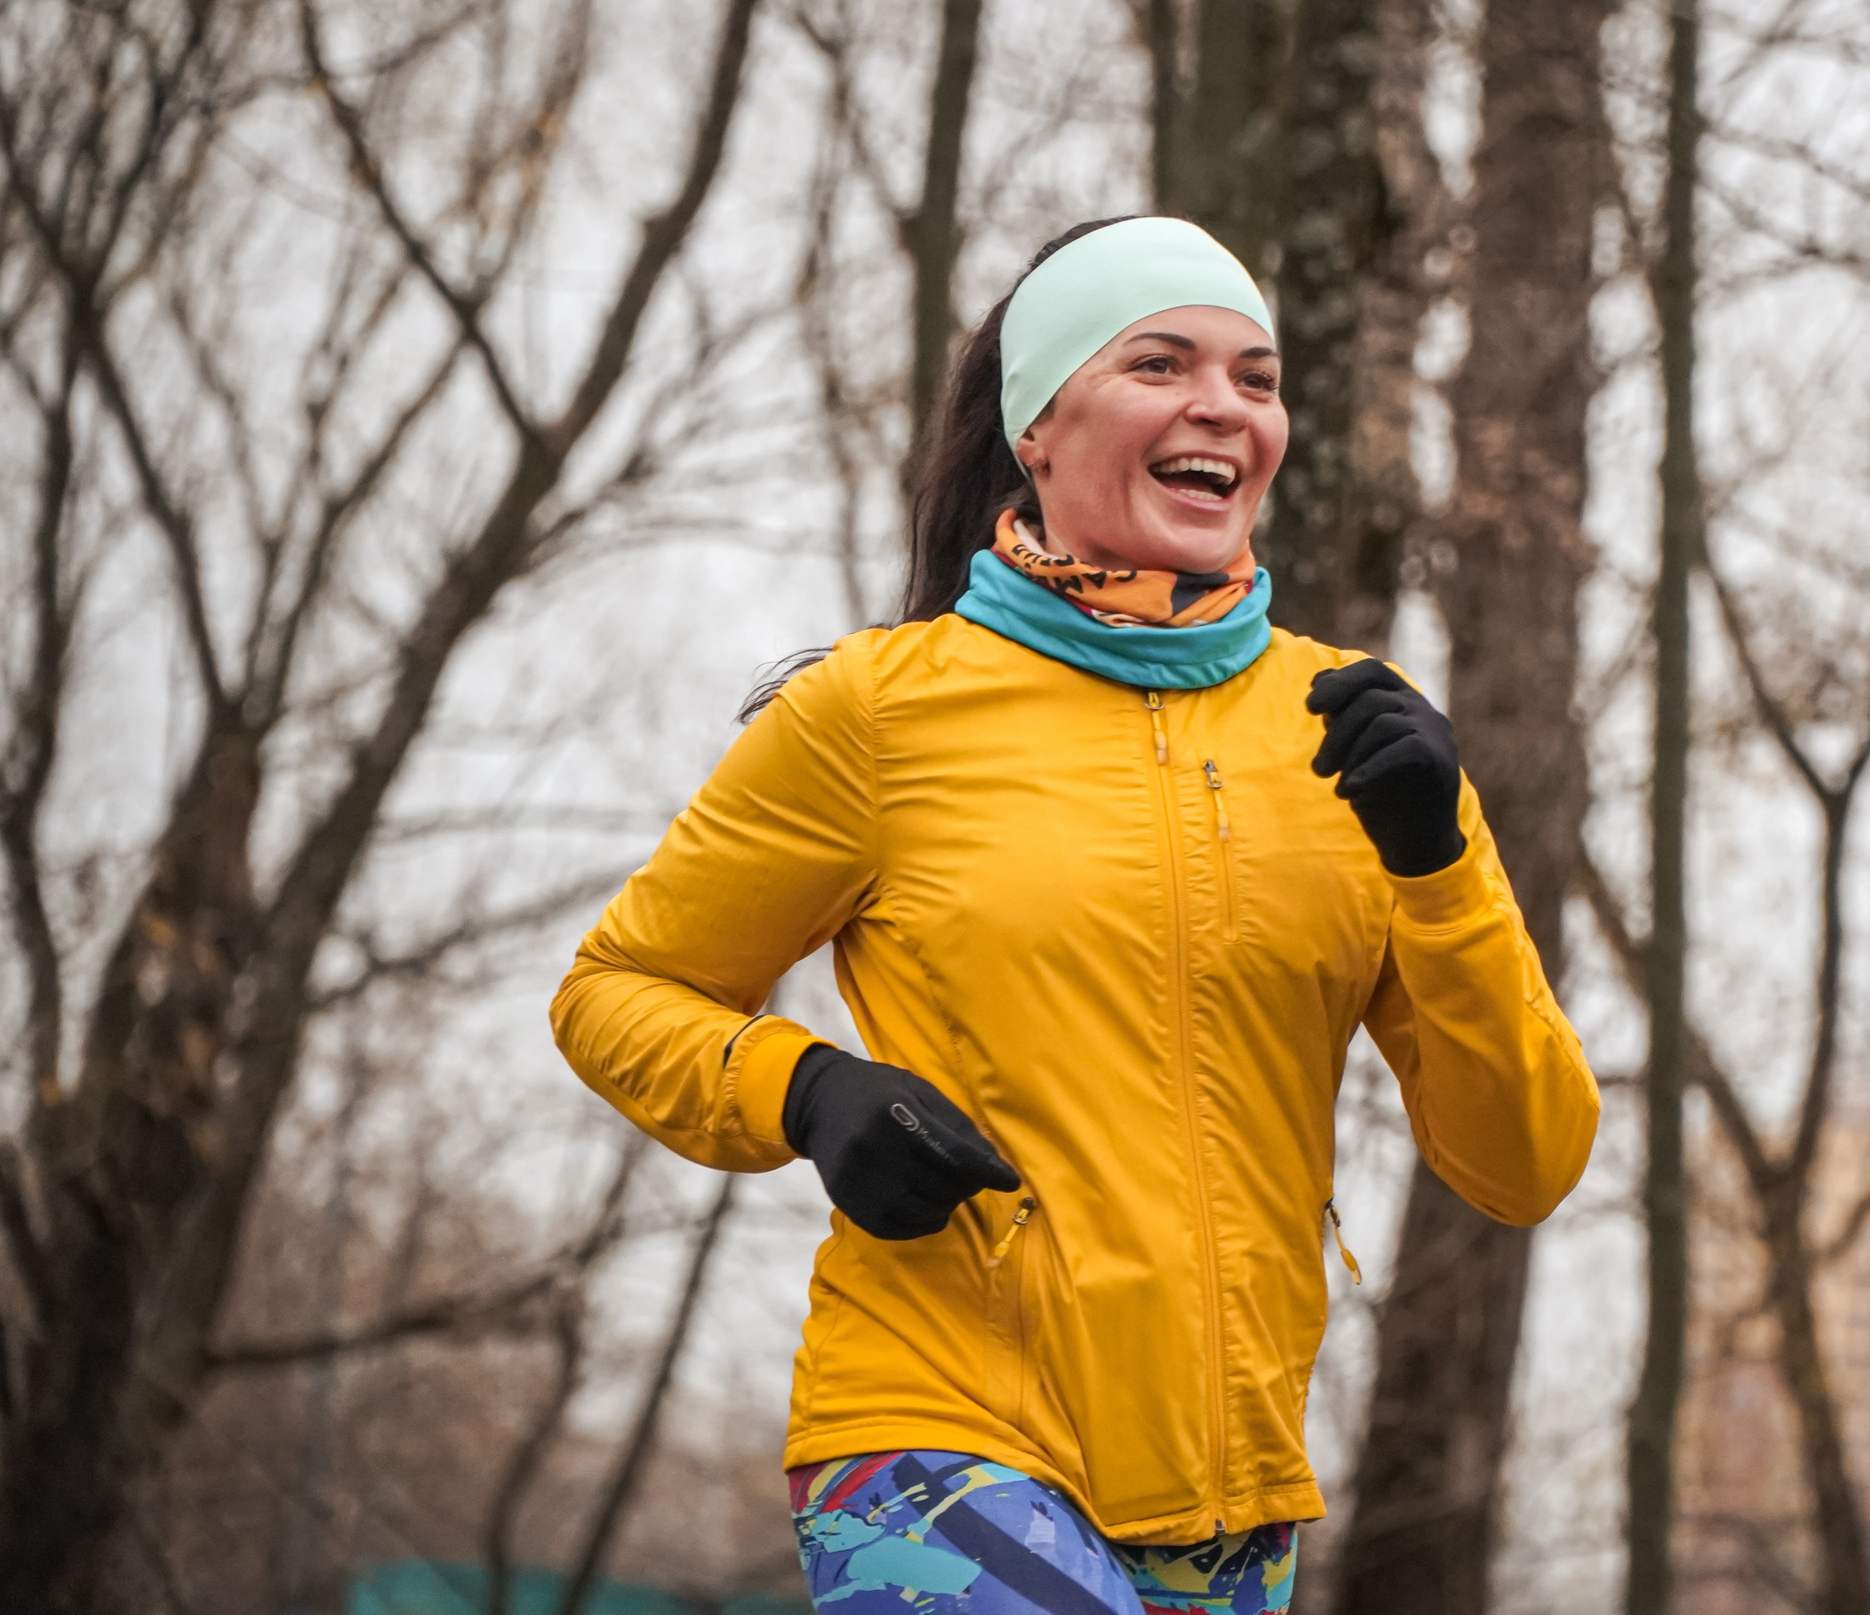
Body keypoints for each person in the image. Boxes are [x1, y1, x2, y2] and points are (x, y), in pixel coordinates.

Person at [551, 216, 1599, 1615]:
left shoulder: (1354, 735)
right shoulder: (877, 712)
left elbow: (1522, 1161)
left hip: (1231, 1496)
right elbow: (618, 988)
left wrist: (1438, 867)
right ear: (1037, 427)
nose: (1221, 405)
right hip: (935, 1437)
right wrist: (805, 1093)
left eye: (1257, 377)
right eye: (1160, 362)